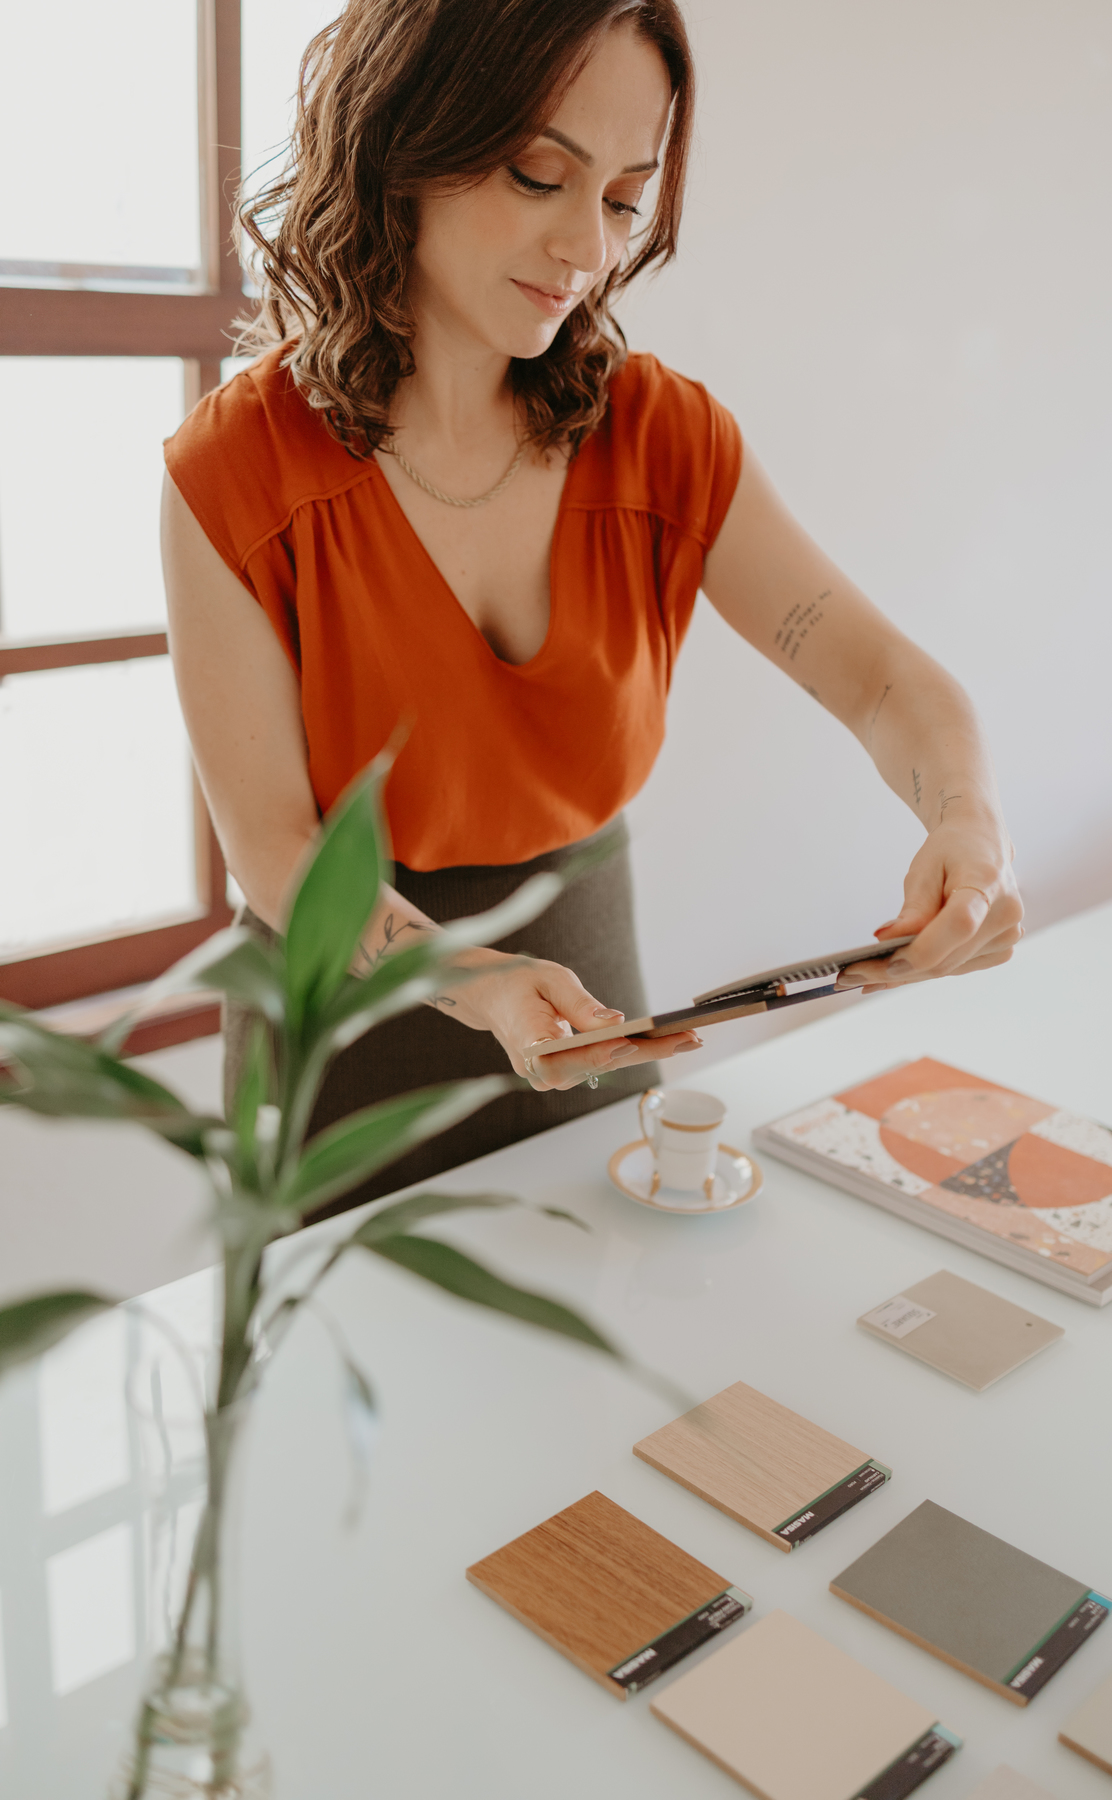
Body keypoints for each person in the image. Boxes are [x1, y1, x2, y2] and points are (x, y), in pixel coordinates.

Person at [162, 0, 1022, 1216]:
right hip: (346, 1032)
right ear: (406, 141)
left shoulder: (662, 439)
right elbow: (279, 854)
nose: (585, 247)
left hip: (585, 988)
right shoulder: (235, 471)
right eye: (537, 176)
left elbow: (882, 678)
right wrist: (475, 981)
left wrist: (969, 830)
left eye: (622, 200)